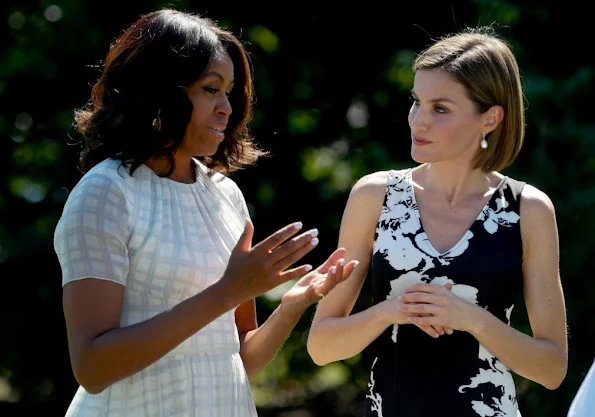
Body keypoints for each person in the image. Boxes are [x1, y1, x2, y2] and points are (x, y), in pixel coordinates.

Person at [53, 8, 358, 417]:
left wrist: (291, 306)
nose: (227, 108)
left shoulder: (225, 195)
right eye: (210, 89)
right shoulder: (106, 193)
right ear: (160, 90)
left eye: (229, 92)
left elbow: (239, 361)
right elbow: (92, 367)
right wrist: (228, 291)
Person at [307, 26, 568, 417]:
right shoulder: (374, 195)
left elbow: (551, 369)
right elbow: (321, 346)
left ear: (490, 119)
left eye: (440, 109)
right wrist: (390, 311)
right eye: (416, 102)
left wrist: (472, 319)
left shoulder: (528, 209)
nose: (418, 121)